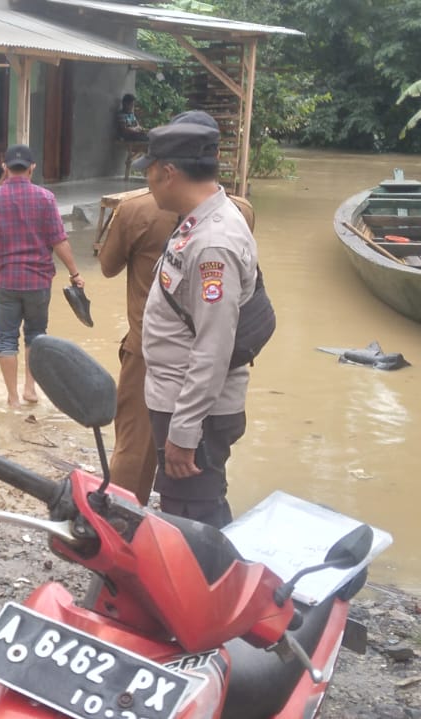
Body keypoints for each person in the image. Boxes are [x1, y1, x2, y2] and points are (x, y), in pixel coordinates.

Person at [131, 111, 261, 529]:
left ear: (168, 173)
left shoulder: (213, 243)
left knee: (195, 517)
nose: (146, 182)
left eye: (149, 171)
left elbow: (213, 346)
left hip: (193, 408)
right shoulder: (199, 223)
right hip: (181, 398)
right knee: (186, 507)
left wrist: (185, 433)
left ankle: (213, 589)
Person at [97, 189, 256, 507]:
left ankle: (121, 527)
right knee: (202, 469)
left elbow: (107, 265)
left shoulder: (134, 210)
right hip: (216, 358)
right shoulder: (240, 211)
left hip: (150, 352)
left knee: (133, 454)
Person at [0, 145, 85, 408]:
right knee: (36, 334)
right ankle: (30, 389)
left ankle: (12, 398)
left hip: (5, 280)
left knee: (6, 338)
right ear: (32, 167)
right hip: (38, 280)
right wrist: (75, 273)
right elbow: (59, 241)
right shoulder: (46, 198)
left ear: (5, 168)